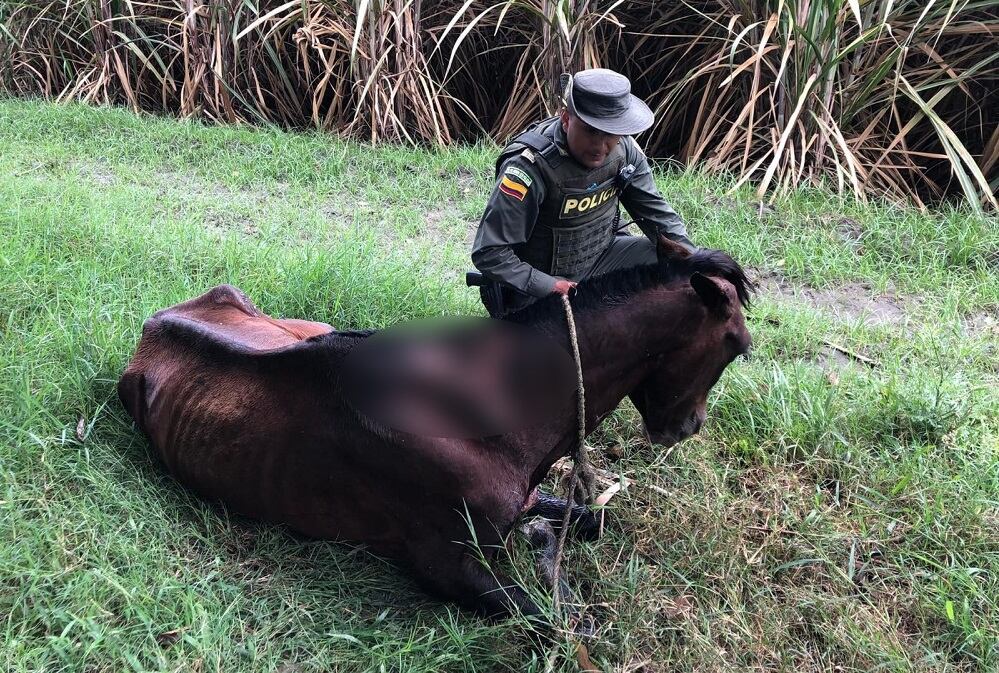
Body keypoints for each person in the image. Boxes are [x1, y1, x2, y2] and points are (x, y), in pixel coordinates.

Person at [470, 68, 695, 316]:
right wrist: (550, 286)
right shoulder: (529, 168)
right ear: (566, 120)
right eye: (590, 131)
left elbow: (659, 217)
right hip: (539, 285)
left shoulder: (625, 151)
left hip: (603, 258)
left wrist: (697, 264)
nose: (600, 146)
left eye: (610, 133)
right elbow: (490, 253)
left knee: (674, 265)